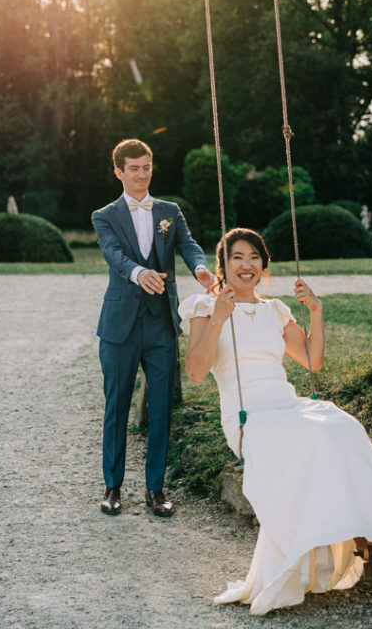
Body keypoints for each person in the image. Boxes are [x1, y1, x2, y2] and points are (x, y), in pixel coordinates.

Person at [179, 227, 372, 614]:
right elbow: (195, 372)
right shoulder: (206, 308)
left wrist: (316, 311)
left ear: (263, 266)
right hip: (249, 416)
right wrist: (220, 318)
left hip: (286, 405)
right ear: (223, 265)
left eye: (254, 257)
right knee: (313, 438)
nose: (247, 264)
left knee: (342, 428)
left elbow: (312, 360)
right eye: (237, 257)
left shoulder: (274, 310)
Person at [92, 138, 213, 518]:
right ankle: (113, 487)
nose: (142, 175)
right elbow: (113, 253)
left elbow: (189, 245)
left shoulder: (169, 211)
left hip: (161, 324)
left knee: (161, 409)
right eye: (134, 169)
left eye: (146, 167)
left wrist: (200, 269)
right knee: (117, 406)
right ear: (118, 172)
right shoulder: (104, 215)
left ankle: (155, 490)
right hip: (120, 327)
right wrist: (138, 272)